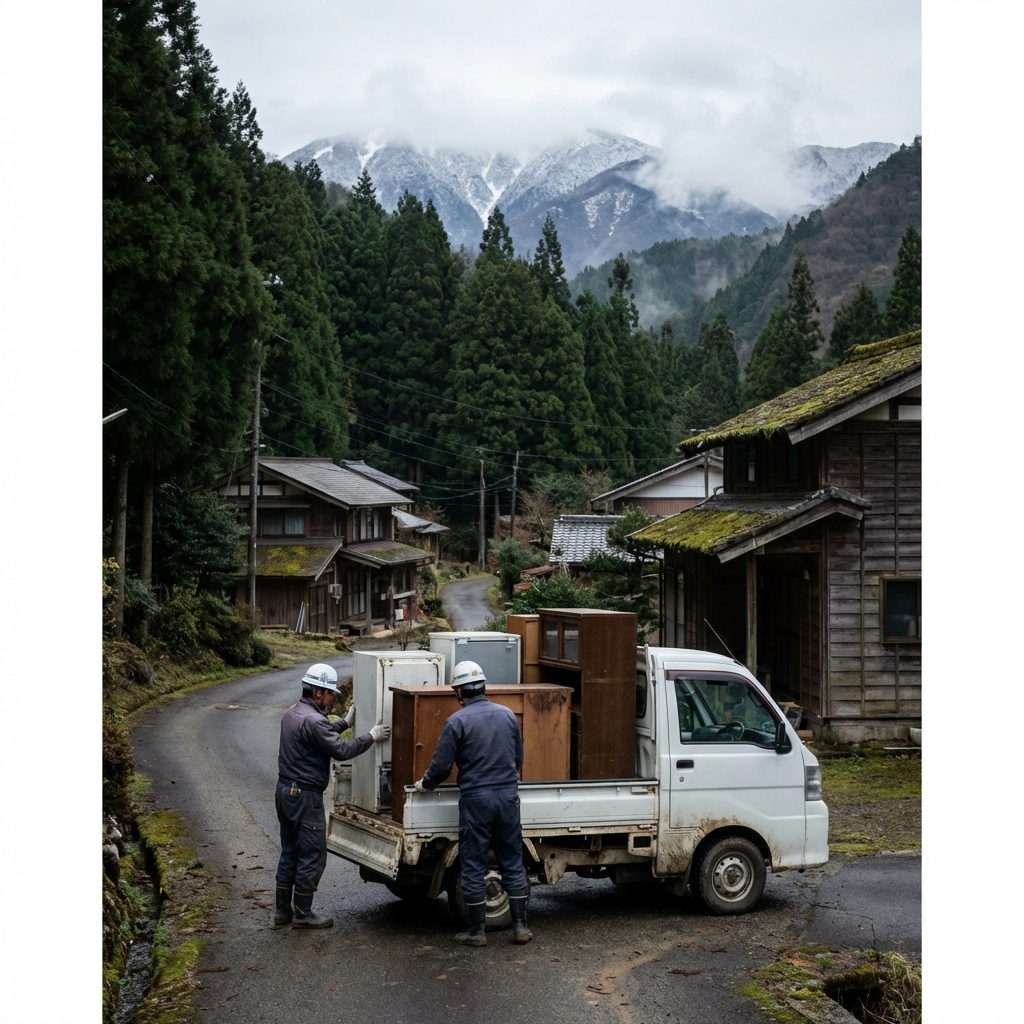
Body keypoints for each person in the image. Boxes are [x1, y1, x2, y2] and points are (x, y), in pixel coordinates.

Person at [413, 660, 532, 946]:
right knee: (512, 862)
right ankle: (520, 927)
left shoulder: (457, 721)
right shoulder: (507, 715)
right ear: (482, 686)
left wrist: (424, 785)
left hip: (477, 800)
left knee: (474, 863)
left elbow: (441, 768)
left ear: (459, 692)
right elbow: (518, 760)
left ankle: (477, 932)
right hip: (507, 797)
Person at [275, 662, 390, 929]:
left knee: (290, 851)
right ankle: (303, 913)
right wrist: (371, 736)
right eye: (330, 694)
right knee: (313, 853)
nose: (332, 699)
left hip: (285, 792)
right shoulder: (314, 720)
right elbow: (340, 750)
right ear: (318, 692)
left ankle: (282, 912)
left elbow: (319, 736)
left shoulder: (292, 714)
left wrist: (344, 722)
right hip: (305, 796)